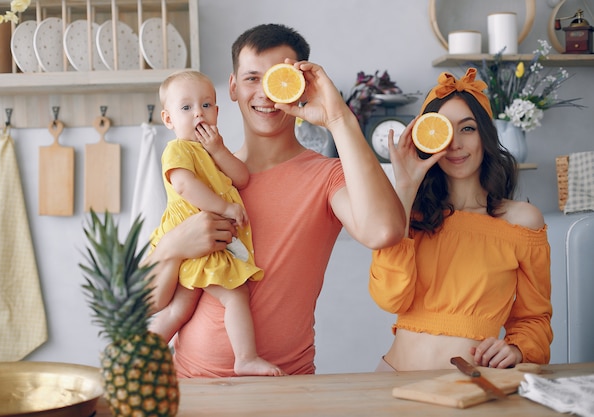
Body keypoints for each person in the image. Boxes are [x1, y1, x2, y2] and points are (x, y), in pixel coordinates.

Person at [144, 23, 406, 377]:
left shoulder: (326, 176)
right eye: (252, 78)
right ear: (233, 88)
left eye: (277, 78)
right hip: (187, 385)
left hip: (284, 388)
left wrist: (338, 118)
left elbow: (384, 231)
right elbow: (144, 301)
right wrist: (173, 247)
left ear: (300, 87)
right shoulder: (205, 178)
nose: (266, 92)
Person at [369, 68, 553, 372]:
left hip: (471, 388)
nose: (454, 143)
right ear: (426, 138)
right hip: (391, 382)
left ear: (485, 135)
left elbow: (534, 319)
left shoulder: (522, 222)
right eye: (443, 129)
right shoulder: (410, 215)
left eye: (467, 128)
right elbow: (390, 299)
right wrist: (405, 187)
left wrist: (517, 349)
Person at [147, 70, 284, 376]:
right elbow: (184, 186)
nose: (198, 112)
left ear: (217, 112)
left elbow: (242, 177)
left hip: (204, 245)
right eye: (187, 108)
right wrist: (224, 206)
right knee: (235, 295)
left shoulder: (210, 152)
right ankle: (245, 358)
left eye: (206, 105)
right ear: (168, 120)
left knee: (180, 309)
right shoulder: (178, 149)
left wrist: (219, 149)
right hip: (197, 243)